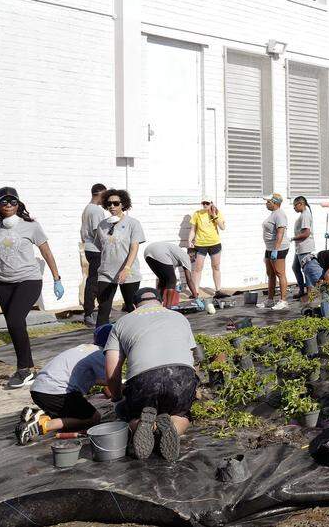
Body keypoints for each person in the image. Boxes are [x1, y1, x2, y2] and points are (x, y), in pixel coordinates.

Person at [0, 187, 63, 388]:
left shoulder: (31, 225)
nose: (8, 204)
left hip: (28, 280)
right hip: (3, 283)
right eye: (4, 201)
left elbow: (47, 252)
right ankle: (29, 368)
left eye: (13, 201)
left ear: (18, 204)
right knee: (14, 325)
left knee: (16, 319)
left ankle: (23, 370)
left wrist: (56, 278)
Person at [103, 287, 198, 461]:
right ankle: (169, 430)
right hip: (182, 375)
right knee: (181, 415)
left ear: (134, 305)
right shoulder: (179, 317)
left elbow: (111, 372)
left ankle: (143, 425)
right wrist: (193, 389)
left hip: (144, 381)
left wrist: (117, 398)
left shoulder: (121, 323)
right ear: (162, 302)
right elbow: (192, 357)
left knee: (130, 415)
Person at [16, 324, 112, 444]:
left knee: (69, 415)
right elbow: (111, 383)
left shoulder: (85, 349)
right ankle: (41, 425)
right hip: (56, 391)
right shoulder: (100, 355)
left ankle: (37, 415)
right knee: (92, 418)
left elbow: (95, 380)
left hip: (39, 390)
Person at [91, 188, 144, 328]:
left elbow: (134, 248)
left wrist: (126, 268)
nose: (112, 207)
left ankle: (136, 338)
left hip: (128, 272)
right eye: (109, 204)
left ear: (123, 204)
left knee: (131, 307)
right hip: (106, 273)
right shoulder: (102, 225)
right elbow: (100, 247)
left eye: (116, 203)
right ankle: (100, 341)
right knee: (103, 308)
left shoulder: (133, 224)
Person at [80, 184, 107, 321]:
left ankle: (95, 308)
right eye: (105, 196)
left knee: (94, 280)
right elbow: (99, 231)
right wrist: (107, 247)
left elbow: (82, 231)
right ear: (100, 194)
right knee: (94, 281)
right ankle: (89, 313)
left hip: (89, 248)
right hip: (96, 249)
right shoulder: (96, 210)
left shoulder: (87, 208)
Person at [188, 198, 224, 295]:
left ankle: (218, 290)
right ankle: (195, 292)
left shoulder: (217, 212)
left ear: (211, 203)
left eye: (207, 203)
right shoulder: (197, 214)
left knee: (216, 266)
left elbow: (222, 227)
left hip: (214, 244)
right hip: (200, 244)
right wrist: (189, 240)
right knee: (198, 268)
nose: (204, 205)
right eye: (203, 203)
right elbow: (193, 229)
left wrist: (214, 215)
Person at [261, 193, 289, 310]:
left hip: (279, 248)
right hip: (269, 248)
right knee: (270, 274)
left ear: (275, 203)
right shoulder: (273, 214)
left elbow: (280, 233)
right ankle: (270, 300)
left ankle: (283, 301)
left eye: (268, 202)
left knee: (279, 273)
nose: (266, 204)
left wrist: (276, 250)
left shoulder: (280, 215)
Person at [290, 196, 315, 299]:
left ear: (300, 204)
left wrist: (292, 238)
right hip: (300, 247)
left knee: (306, 269)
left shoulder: (305, 215)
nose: (294, 208)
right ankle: (302, 289)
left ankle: (309, 292)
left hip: (305, 247)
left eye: (295, 206)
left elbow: (306, 233)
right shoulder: (303, 215)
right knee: (295, 267)